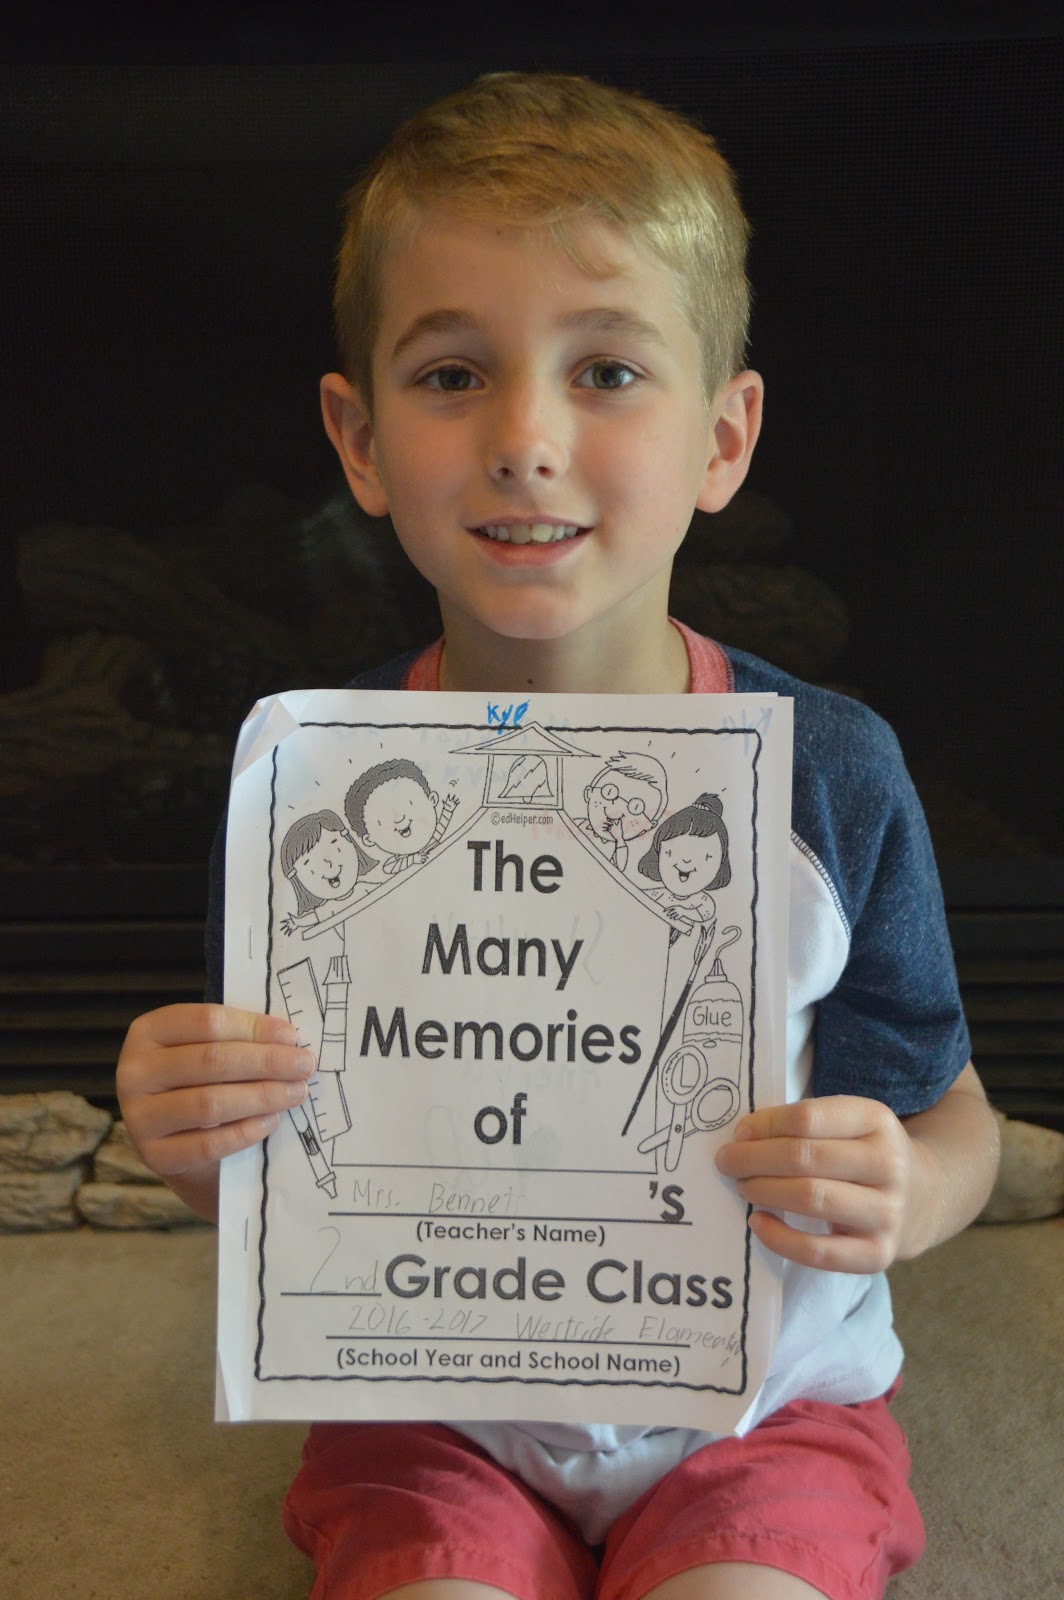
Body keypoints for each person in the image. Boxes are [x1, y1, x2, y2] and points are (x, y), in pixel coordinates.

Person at [116, 71, 1001, 1600]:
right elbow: (290, 1166)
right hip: (430, 1410)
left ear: (723, 438)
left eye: (606, 371)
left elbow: (957, 1115)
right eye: (454, 374)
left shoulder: (831, 773)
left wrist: (913, 1193)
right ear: (360, 440)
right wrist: (193, 1137)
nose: (526, 436)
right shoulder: (310, 782)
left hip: (764, 1409)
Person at [637, 791, 731, 935]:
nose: (686, 860)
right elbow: (639, 897)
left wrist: (684, 912)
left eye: (705, 857)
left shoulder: (702, 901)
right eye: (670, 852)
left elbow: (705, 913)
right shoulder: (659, 894)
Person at [578, 752, 668, 872]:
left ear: (646, 828)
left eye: (635, 808)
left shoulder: (618, 848)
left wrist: (619, 839)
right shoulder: (574, 824)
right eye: (609, 793)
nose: (615, 813)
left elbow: (618, 870)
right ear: (588, 793)